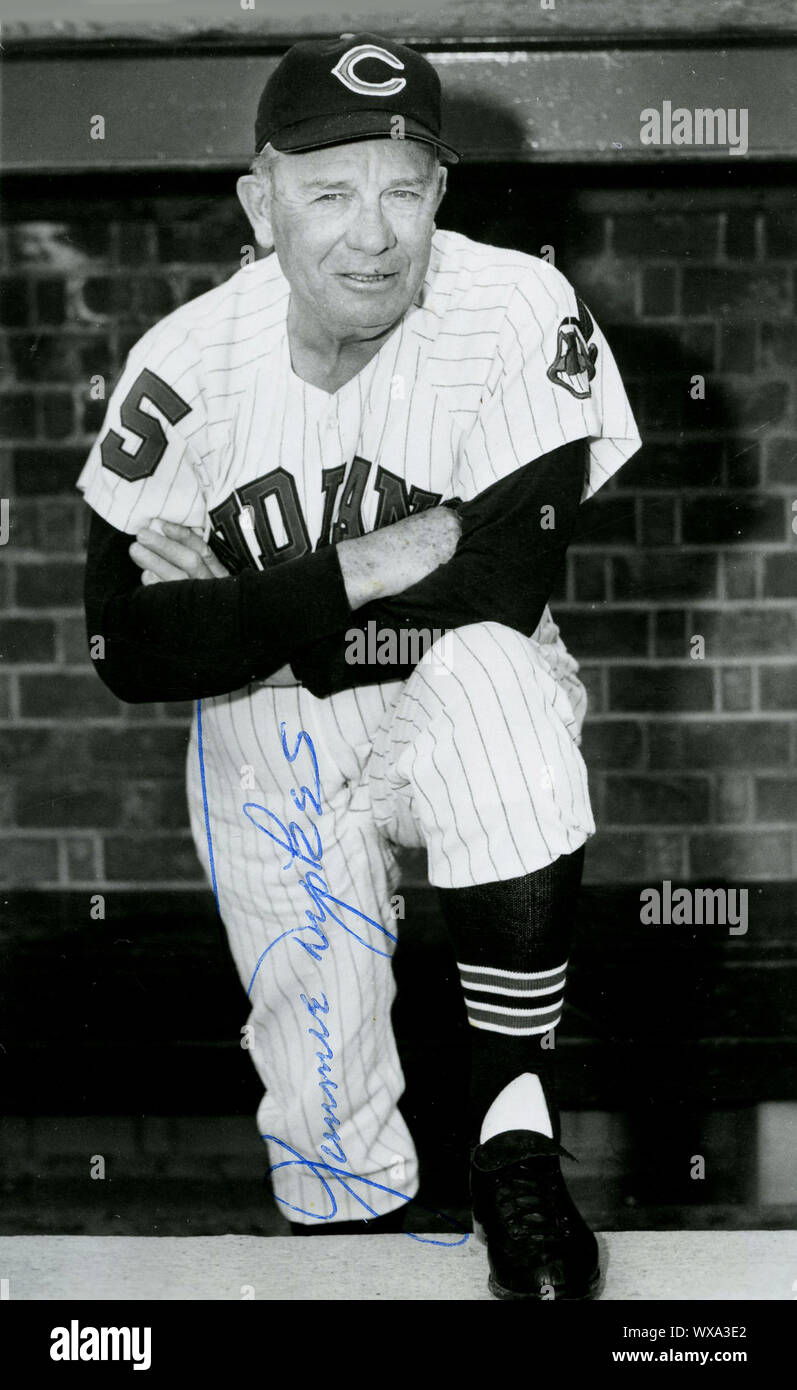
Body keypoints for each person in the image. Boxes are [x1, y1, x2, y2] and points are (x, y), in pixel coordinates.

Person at [79, 33, 641, 1299]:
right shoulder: (184, 364)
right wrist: (366, 567)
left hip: (441, 671)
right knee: (328, 1125)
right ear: (259, 199)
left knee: (496, 689)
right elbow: (123, 646)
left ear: (440, 189)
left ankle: (515, 1142)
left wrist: (241, 605)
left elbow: (501, 586)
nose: (371, 231)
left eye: (401, 185)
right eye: (327, 190)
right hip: (266, 725)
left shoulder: (513, 305)